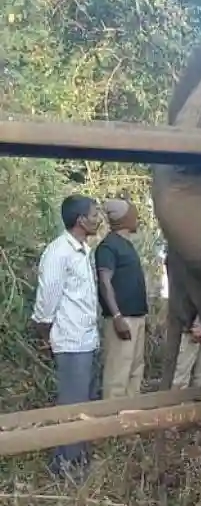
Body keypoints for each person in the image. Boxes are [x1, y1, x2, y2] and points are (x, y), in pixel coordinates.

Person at [31, 194, 101, 477]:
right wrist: (46, 335)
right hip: (71, 342)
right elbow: (46, 302)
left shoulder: (83, 250)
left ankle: (76, 458)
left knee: (82, 403)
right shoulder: (59, 252)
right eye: (94, 213)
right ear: (80, 220)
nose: (99, 218)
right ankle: (65, 466)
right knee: (72, 406)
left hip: (87, 340)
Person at [95, 198, 148, 400]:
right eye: (134, 214)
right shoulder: (108, 246)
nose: (137, 217)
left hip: (136, 317)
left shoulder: (126, 245)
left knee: (135, 371)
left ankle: (129, 421)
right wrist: (117, 316)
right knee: (118, 374)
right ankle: (112, 424)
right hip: (122, 319)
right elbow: (104, 282)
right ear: (124, 219)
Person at [173, 315, 201, 389]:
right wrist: (194, 323)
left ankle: (200, 398)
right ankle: (177, 399)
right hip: (190, 322)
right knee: (182, 375)